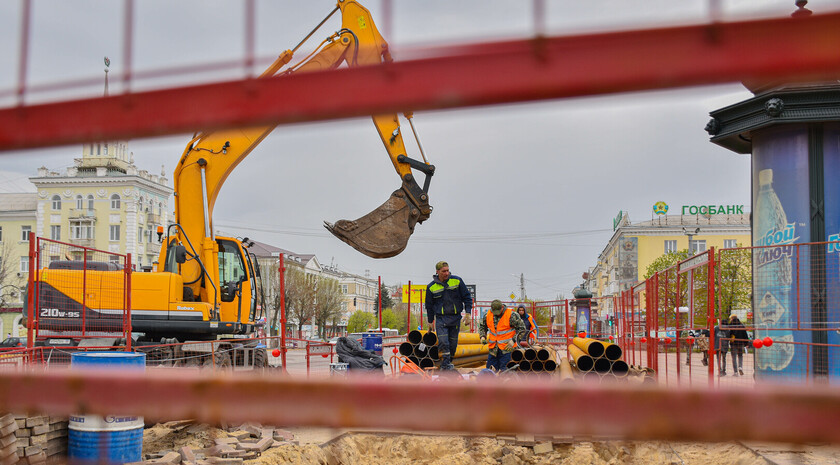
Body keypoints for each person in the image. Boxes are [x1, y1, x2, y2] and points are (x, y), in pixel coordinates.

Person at [425, 261, 473, 370]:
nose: (446, 273)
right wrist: (430, 321)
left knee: (452, 345)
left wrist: (468, 312)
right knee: (443, 342)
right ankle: (446, 366)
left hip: (455, 318)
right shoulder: (431, 287)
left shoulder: (457, 281)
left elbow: (467, 297)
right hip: (441, 319)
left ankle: (448, 363)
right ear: (437, 272)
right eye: (443, 271)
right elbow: (429, 306)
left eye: (447, 270)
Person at [479, 300, 527, 371]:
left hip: (507, 350)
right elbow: (482, 327)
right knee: (490, 371)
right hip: (493, 349)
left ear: (502, 307)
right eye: (494, 313)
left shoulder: (511, 315)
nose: (496, 314)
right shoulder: (488, 315)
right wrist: (482, 336)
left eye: (498, 313)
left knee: (506, 372)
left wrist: (513, 340)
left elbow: (522, 329)